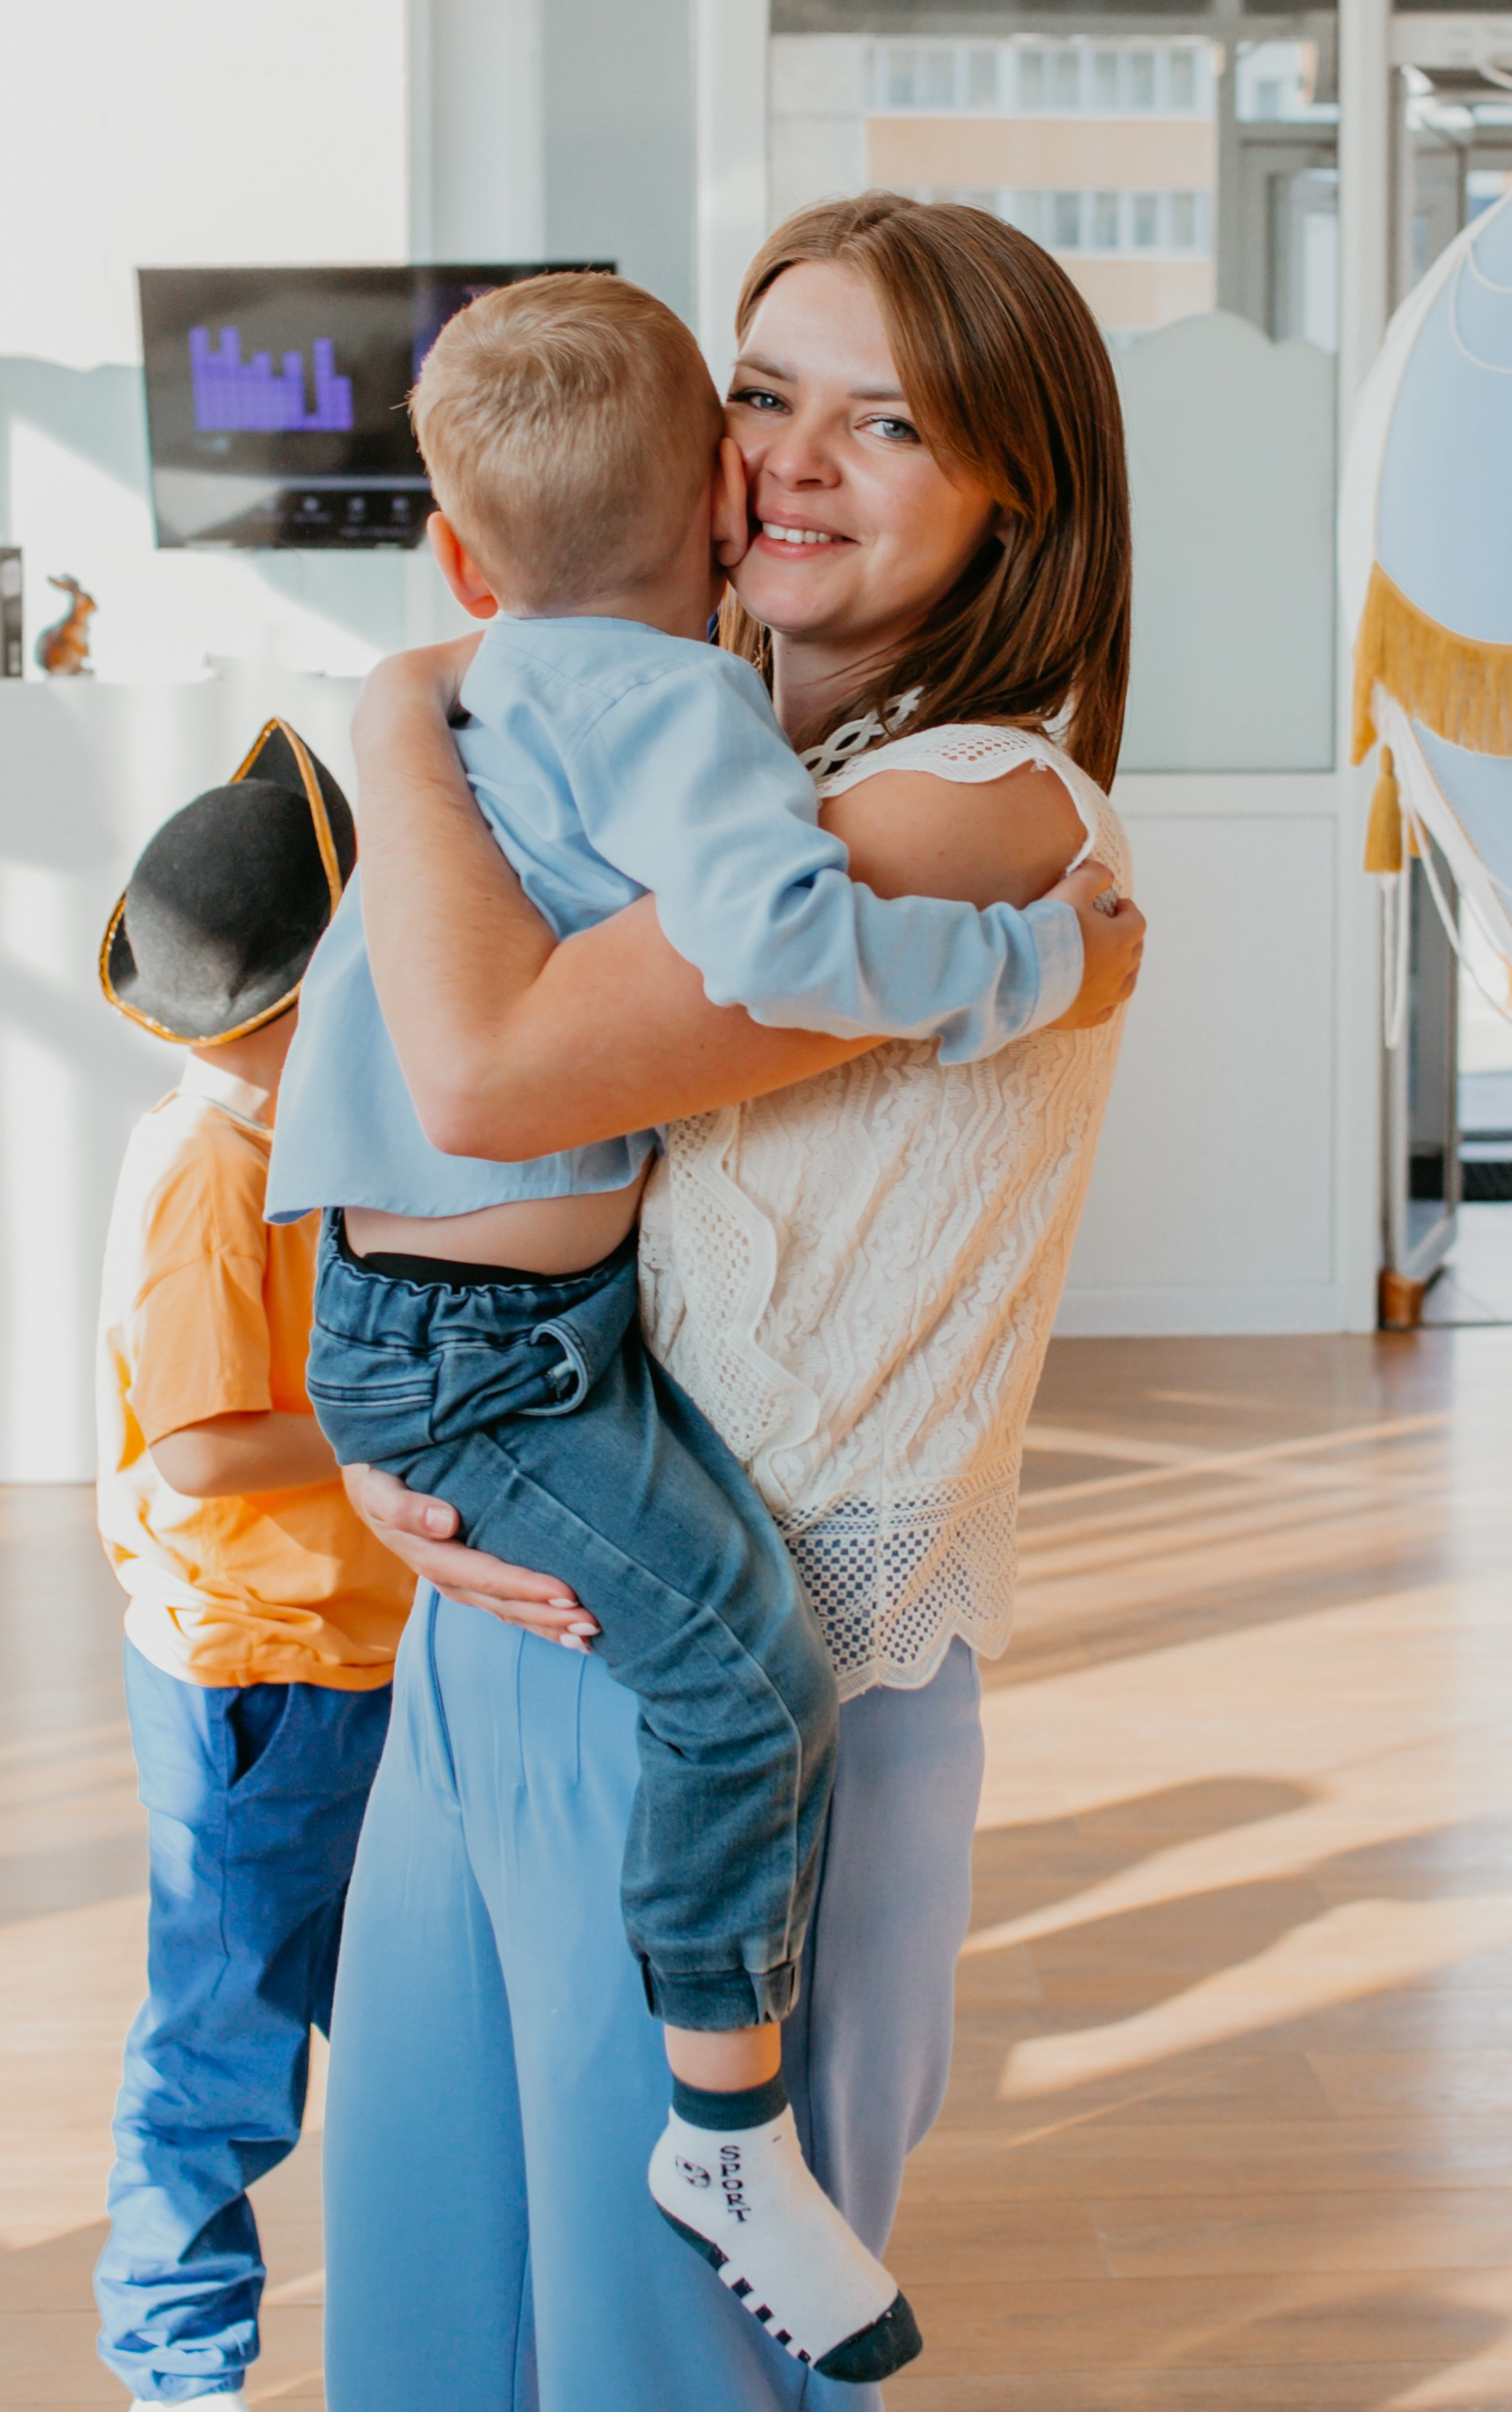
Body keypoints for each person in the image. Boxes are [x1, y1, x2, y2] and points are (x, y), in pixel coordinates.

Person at [267, 269, 1135, 2382]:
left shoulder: (958, 806)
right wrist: (404, 1432)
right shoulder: (685, 756)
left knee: (663, 2353)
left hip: (756, 1662)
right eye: (762, 394)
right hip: (532, 1592)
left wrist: (402, 718)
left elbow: (481, 1073)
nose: (790, 457)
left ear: (1019, 497)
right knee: (431, 2293)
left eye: (892, 420)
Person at [90, 724, 414, 2410]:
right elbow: (209, 1449)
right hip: (258, 1681)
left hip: (346, 1659)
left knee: (395, 2012)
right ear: (286, 1015)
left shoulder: (282, 1141)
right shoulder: (210, 1177)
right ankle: (180, 2361)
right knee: (220, 2047)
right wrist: (389, 1429)